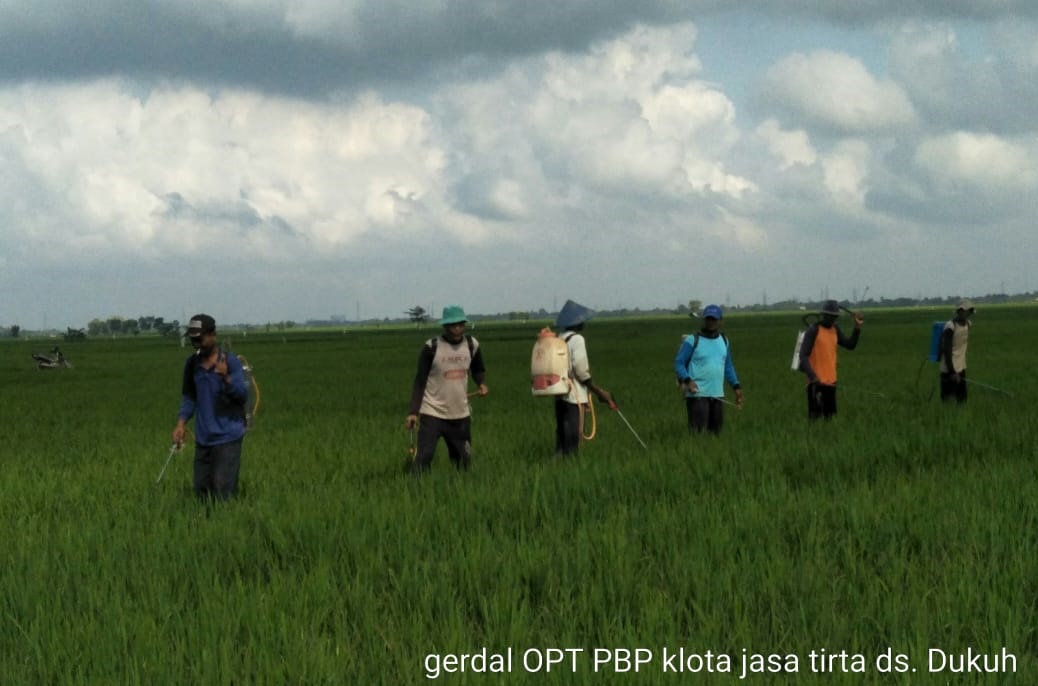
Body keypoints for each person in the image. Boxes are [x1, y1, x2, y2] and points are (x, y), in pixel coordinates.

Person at [171, 314, 249, 500]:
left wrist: (225, 379)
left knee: (222, 492)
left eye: (200, 339)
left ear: (213, 335)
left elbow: (242, 395)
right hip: (204, 438)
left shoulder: (230, 363)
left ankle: (226, 525)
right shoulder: (192, 365)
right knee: (201, 491)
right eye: (193, 340)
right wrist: (181, 424)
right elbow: (189, 397)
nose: (196, 344)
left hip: (227, 437)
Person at [406, 305, 488, 474]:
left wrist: (481, 383)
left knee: (463, 461)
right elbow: (420, 381)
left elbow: (478, 368)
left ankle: (461, 490)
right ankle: (416, 490)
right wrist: (413, 411)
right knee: (424, 458)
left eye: (460, 324)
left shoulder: (472, 345)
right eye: (452, 325)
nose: (457, 328)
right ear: (445, 326)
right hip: (432, 412)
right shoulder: (432, 347)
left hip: (460, 413)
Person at [553, 300, 615, 456]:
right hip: (574, 397)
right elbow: (581, 372)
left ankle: (558, 468)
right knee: (573, 440)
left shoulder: (559, 338)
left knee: (562, 439)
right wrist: (599, 392)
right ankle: (569, 469)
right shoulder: (577, 339)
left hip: (559, 394)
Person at [673, 304, 743, 434]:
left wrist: (736, 387)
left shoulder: (724, 340)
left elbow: (728, 366)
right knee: (698, 434)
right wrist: (688, 381)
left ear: (721, 321)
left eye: (714, 319)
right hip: (697, 395)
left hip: (717, 395)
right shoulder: (693, 340)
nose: (711, 322)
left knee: (716, 434)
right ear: (704, 320)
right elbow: (679, 363)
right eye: (708, 319)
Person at [797, 299, 863, 420]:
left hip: (831, 382)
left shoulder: (835, 329)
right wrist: (813, 377)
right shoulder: (813, 330)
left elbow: (850, 345)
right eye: (830, 316)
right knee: (815, 420)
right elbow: (803, 356)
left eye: (834, 317)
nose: (832, 319)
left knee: (830, 420)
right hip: (815, 383)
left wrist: (857, 327)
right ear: (823, 315)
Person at [939, 300, 973, 403]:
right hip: (949, 369)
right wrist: (952, 372)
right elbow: (946, 349)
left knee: (962, 400)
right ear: (960, 311)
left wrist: (958, 371)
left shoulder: (968, 324)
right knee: (948, 401)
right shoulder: (950, 326)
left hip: (961, 367)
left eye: (971, 312)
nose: (969, 314)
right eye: (968, 311)